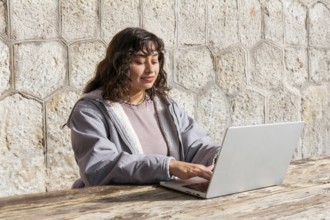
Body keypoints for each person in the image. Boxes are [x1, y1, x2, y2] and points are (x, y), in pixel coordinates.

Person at [67, 27, 220, 188]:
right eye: (139, 62)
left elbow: (195, 146)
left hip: (165, 201)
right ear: (119, 65)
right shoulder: (90, 111)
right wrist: (168, 166)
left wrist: (220, 157)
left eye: (154, 61)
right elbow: (99, 166)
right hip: (113, 205)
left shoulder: (163, 105)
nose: (150, 69)